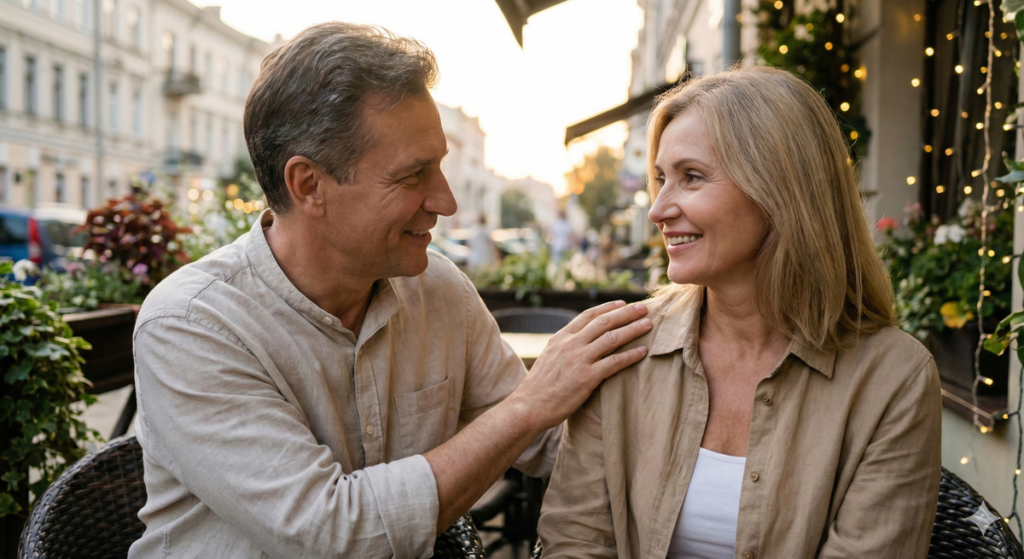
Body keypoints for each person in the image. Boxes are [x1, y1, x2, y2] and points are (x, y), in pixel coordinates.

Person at [128, 23, 652, 558]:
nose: (445, 201)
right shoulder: (190, 325)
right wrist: (528, 406)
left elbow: (551, 443)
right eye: (413, 175)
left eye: (441, 166)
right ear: (309, 185)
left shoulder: (436, 287)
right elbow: (335, 536)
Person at [537, 66, 942, 558]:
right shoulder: (623, 348)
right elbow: (574, 541)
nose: (658, 208)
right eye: (661, 178)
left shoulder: (892, 377)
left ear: (780, 190)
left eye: (691, 178)